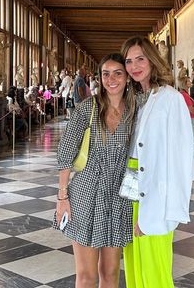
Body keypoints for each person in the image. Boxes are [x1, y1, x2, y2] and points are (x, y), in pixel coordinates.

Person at [121, 36, 194, 288]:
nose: (134, 66)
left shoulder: (170, 98)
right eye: (128, 61)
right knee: (134, 263)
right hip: (131, 188)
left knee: (154, 269)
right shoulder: (136, 98)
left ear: (153, 60)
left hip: (155, 193)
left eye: (140, 59)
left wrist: (165, 209)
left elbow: (180, 158)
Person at [54, 53, 135, 288]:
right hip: (86, 195)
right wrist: (62, 197)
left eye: (118, 73)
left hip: (119, 196)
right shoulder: (87, 109)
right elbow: (66, 154)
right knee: (86, 275)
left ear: (127, 77)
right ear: (99, 77)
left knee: (110, 274)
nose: (111, 79)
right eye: (106, 73)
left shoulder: (135, 109)